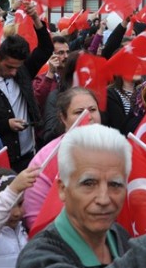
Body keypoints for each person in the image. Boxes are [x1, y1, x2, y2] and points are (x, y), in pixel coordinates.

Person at [17, 123, 146, 267]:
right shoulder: (38, 257)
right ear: (62, 189)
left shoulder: (118, 236)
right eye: (89, 184)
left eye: (115, 184)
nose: (104, 199)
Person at [0, 2, 53, 172]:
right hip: (2, 162)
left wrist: (36, 19)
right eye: (9, 67)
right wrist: (6, 124)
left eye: (17, 67)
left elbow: (46, 49)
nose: (14, 72)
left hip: (30, 155)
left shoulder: (23, 71)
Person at [23, 87, 102, 229]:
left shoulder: (115, 150)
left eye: (92, 109)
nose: (88, 116)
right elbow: (35, 219)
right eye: (79, 112)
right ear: (62, 118)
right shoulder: (46, 158)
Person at [32, 35, 69, 114]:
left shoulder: (73, 76)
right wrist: (50, 74)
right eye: (61, 53)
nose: (66, 56)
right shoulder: (41, 79)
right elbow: (37, 102)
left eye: (67, 52)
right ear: (51, 56)